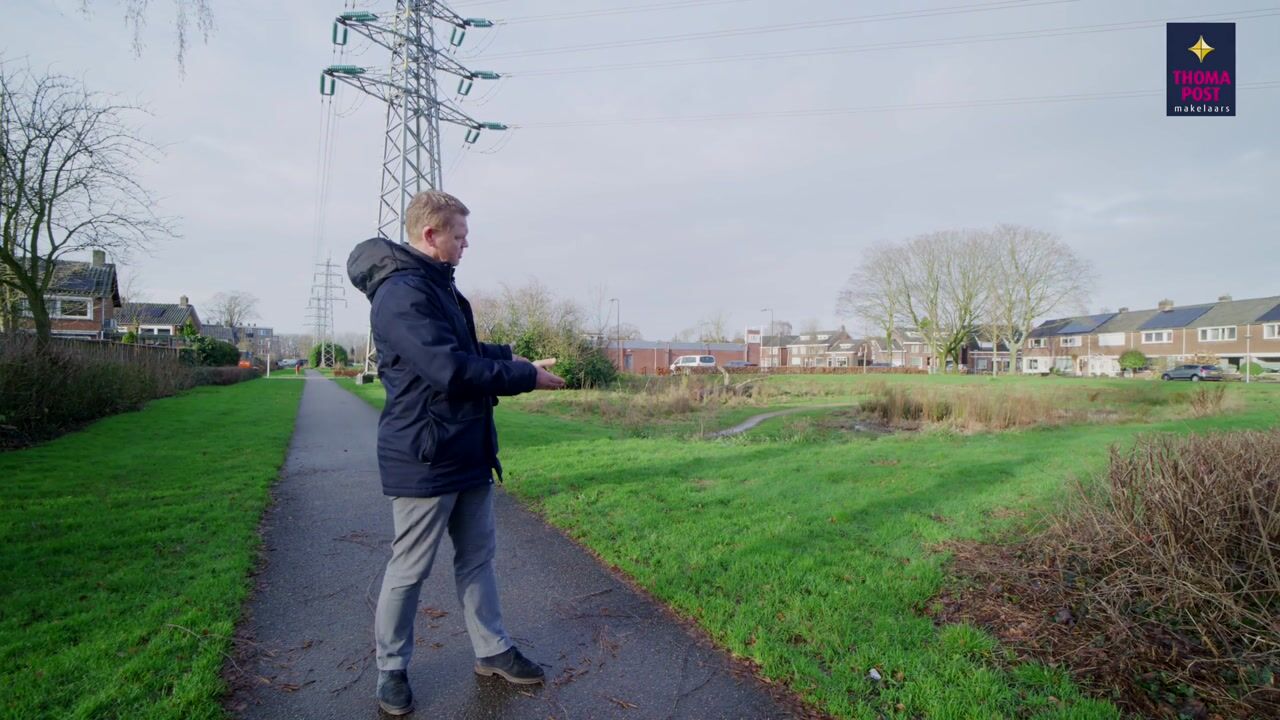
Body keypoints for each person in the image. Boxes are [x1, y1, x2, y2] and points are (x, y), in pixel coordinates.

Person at [347, 191, 565, 716]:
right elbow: (449, 369)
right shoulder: (402, 294)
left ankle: (492, 650)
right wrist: (525, 377)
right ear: (430, 235)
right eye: (459, 236)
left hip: (466, 447)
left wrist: (512, 356)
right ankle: (391, 670)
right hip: (425, 455)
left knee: (478, 558)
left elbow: (464, 349)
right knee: (411, 568)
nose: (466, 245)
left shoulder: (435, 286)